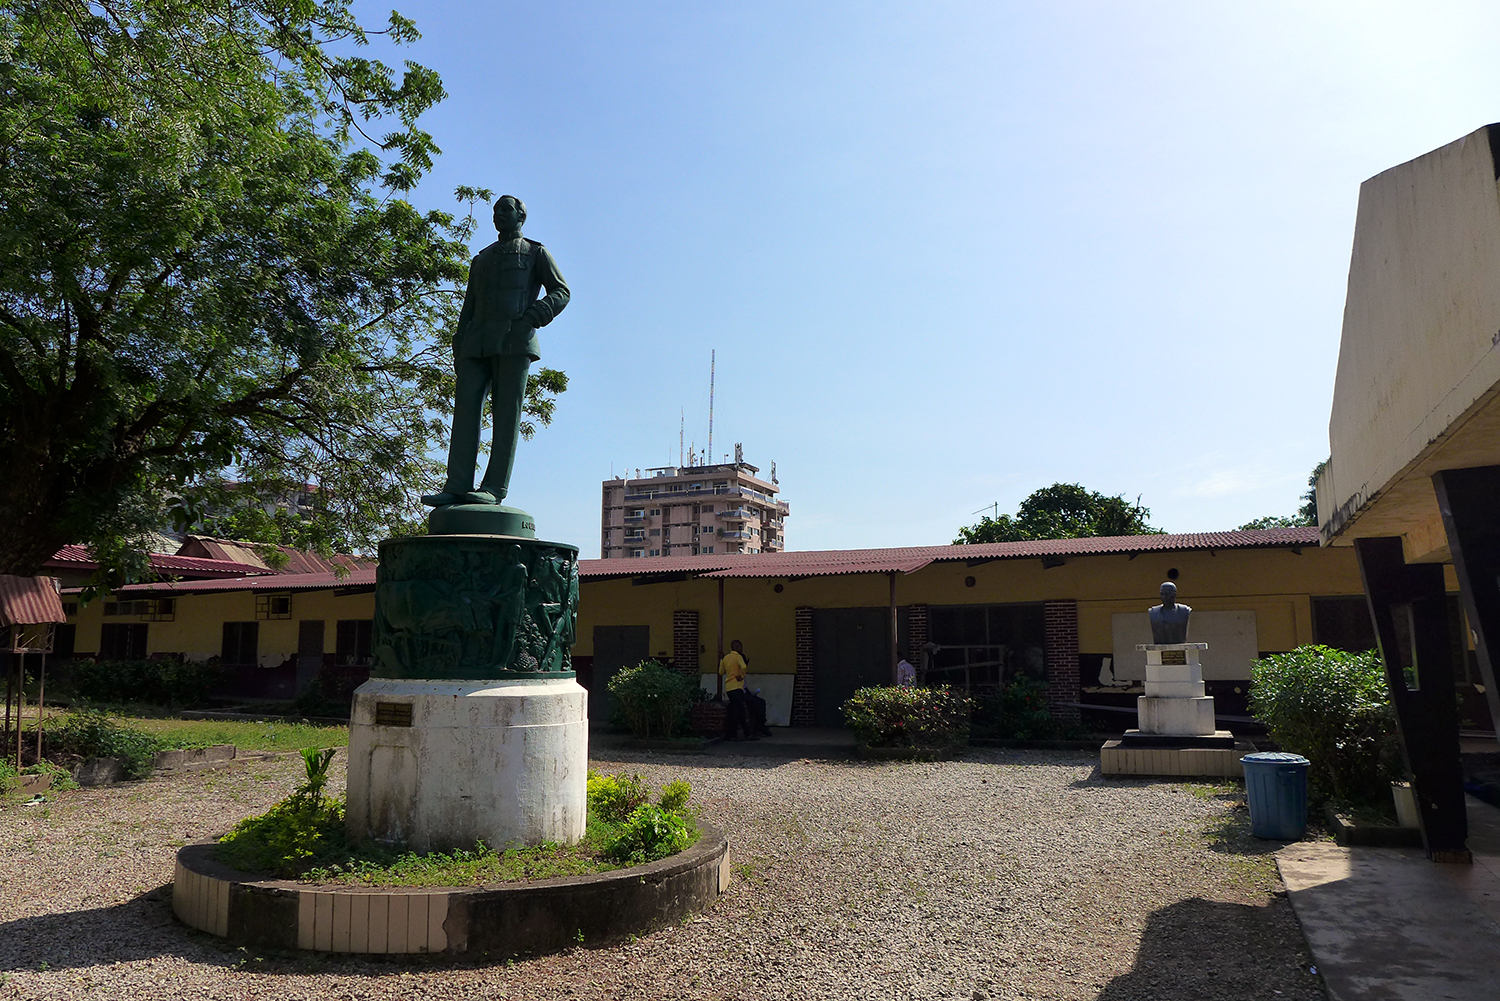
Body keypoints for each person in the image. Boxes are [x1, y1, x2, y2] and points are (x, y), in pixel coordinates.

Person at [422, 195, 570, 507]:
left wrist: (532, 317)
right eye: (495, 211)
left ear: (521, 216)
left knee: (506, 416)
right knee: (464, 413)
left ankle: (494, 487)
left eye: (505, 210)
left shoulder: (535, 252)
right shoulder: (482, 259)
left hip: (515, 342)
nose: (498, 215)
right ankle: (457, 484)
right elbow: (468, 308)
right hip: (476, 344)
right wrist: (459, 345)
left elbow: (561, 291)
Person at [718, 639, 755, 740]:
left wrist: (721, 660)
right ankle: (733, 734)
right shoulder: (738, 657)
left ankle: (745, 733)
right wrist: (741, 676)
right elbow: (744, 666)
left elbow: (721, 672)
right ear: (738, 647)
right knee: (737, 711)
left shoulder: (726, 658)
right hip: (737, 686)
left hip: (729, 687)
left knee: (738, 710)